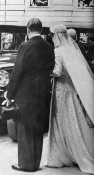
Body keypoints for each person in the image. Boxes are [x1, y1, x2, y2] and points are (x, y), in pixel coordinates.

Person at [5, 18, 55, 172]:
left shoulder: (25, 46)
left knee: (25, 129)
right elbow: (51, 67)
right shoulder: (48, 47)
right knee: (37, 129)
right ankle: (35, 164)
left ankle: (26, 165)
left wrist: (10, 93)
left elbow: (17, 71)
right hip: (42, 94)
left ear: (28, 30)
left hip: (26, 95)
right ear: (41, 30)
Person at [46, 24, 94, 174]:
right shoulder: (73, 51)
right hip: (72, 90)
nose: (52, 38)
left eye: (53, 36)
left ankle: (62, 155)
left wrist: (46, 70)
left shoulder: (58, 51)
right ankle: (77, 153)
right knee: (74, 119)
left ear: (57, 36)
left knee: (60, 120)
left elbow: (57, 72)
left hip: (61, 90)